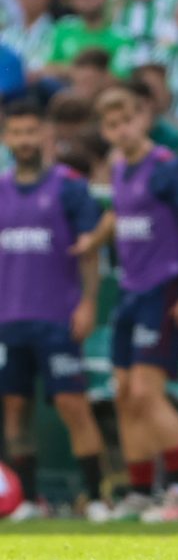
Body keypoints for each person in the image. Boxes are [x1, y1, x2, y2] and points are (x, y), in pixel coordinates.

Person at [79, 86, 178, 522]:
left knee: (146, 393)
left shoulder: (167, 167)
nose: (121, 130)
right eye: (112, 124)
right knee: (123, 395)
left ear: (142, 118)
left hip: (164, 288)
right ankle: (139, 491)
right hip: (130, 291)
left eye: (127, 120)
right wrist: (92, 240)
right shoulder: (119, 166)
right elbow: (120, 213)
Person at [0, 100, 109, 522]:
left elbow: (90, 252)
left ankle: (96, 497)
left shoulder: (69, 187)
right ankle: (28, 500)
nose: (24, 141)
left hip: (57, 318)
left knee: (72, 405)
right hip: (10, 319)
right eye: (17, 133)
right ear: (8, 138)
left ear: (45, 136)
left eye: (32, 133)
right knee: (14, 411)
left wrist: (88, 302)